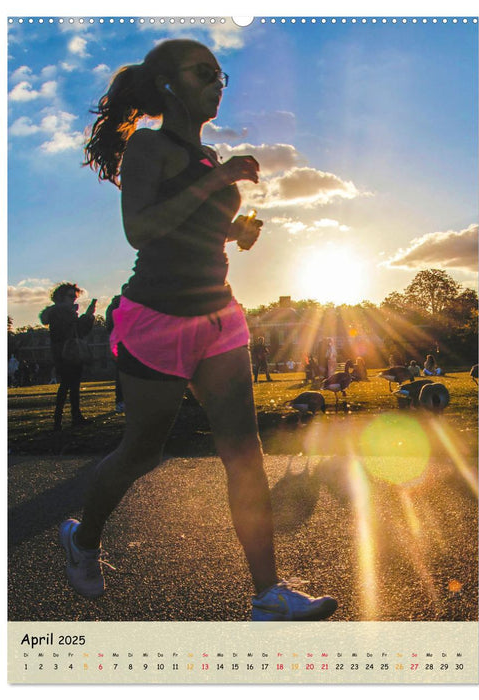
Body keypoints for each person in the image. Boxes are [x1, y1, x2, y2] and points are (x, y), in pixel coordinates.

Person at [59, 39, 336, 622]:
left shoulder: (210, 158)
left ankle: (267, 594)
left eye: (220, 75)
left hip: (218, 313)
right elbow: (140, 230)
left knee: (245, 453)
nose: (217, 82)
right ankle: (82, 540)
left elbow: (194, 224)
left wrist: (237, 231)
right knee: (142, 452)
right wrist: (218, 184)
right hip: (158, 316)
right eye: (203, 73)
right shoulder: (150, 147)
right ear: (167, 85)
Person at [40, 283, 96, 430]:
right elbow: (77, 330)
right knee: (69, 384)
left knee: (68, 384)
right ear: (61, 297)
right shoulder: (63, 312)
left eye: (74, 297)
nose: (73, 300)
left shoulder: (57, 312)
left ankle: (63, 418)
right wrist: (88, 317)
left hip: (61, 351)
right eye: (71, 296)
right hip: (67, 351)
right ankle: (69, 418)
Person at [105, 285, 128, 413]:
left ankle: (123, 401)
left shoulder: (115, 305)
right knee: (121, 374)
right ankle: (120, 401)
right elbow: (110, 324)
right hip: (121, 342)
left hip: (127, 341)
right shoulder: (117, 305)